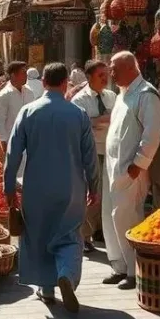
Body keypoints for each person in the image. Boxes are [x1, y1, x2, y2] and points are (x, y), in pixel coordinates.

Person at [4, 62, 98, 313]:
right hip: (71, 189)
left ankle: (46, 290)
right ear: (65, 83)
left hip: (36, 189)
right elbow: (90, 156)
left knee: (40, 236)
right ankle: (66, 274)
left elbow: (12, 155)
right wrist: (95, 187)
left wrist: (9, 187)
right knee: (68, 236)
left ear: (43, 82)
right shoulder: (78, 114)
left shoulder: (27, 112)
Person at [101, 52, 160, 290]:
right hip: (114, 168)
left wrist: (138, 165)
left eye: (114, 69)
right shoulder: (123, 94)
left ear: (130, 68)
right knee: (112, 216)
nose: (111, 73)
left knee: (128, 217)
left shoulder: (147, 95)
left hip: (132, 171)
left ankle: (133, 271)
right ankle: (119, 266)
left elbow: (151, 136)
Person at [71, 60, 118, 253]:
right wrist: (101, 120)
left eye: (106, 75)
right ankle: (84, 235)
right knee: (92, 195)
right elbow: (80, 126)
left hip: (111, 151)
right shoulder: (79, 100)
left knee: (108, 193)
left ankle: (101, 230)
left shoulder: (112, 96)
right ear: (89, 77)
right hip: (90, 152)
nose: (105, 79)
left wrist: (98, 122)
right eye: (101, 75)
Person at [0, 61, 35, 150]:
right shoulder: (4, 95)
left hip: (29, 141)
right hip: (11, 142)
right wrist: (3, 142)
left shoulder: (29, 92)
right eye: (23, 73)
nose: (26, 76)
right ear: (13, 75)